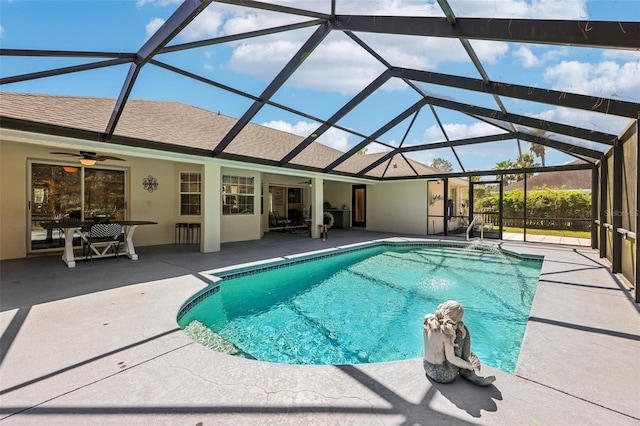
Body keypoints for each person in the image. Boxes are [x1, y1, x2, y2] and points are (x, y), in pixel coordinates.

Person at [423, 300, 496, 386]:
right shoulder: (447, 334)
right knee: (462, 330)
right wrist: (468, 365)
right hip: (443, 375)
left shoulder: (428, 320)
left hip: (427, 366)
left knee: (458, 329)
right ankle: (466, 369)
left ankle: (465, 365)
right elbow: (451, 359)